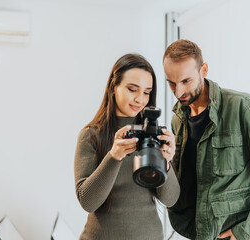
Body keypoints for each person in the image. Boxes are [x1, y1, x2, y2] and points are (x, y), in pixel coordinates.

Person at [163, 39, 250, 240]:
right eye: (171, 82)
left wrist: (248, 233)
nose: (178, 92)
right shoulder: (177, 119)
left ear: (204, 70)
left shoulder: (243, 107)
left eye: (186, 81)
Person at [74, 53, 180, 240]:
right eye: (132, 89)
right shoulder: (91, 135)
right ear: (114, 87)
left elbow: (170, 199)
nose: (140, 99)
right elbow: (88, 202)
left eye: (147, 92)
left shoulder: (153, 137)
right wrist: (114, 156)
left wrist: (167, 163)